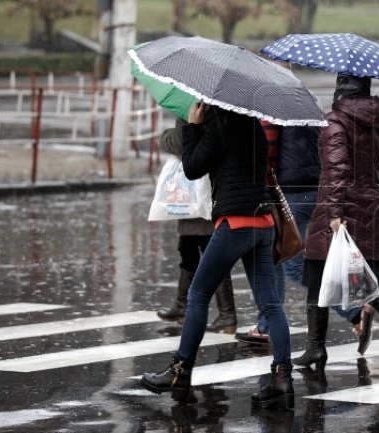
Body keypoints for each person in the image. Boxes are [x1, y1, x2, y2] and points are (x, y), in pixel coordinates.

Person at [141, 102, 294, 408]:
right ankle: (282, 378)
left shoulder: (219, 121)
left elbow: (193, 167)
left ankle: (180, 371)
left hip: (235, 222)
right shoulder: (254, 124)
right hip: (263, 223)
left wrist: (194, 126)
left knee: (198, 294)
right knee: (270, 304)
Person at [292, 73, 379, 374]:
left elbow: (338, 170)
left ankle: (318, 347)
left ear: (341, 88)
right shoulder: (375, 122)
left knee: (320, 276)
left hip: (339, 210)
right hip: (369, 208)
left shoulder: (335, 123)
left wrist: (334, 213)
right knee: (370, 286)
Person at [236, 123, 364, 345]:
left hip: (290, 192)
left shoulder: (273, 110)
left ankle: (354, 310)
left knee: (293, 264)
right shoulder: (307, 105)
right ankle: (266, 325)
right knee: (275, 256)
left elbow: (268, 155)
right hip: (313, 188)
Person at [156, 117, 237, 334]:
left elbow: (178, 142)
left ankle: (227, 314)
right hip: (204, 192)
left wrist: (165, 135)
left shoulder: (193, 110)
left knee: (208, 252)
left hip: (199, 191)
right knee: (190, 250)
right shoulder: (218, 110)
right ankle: (184, 306)